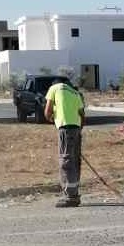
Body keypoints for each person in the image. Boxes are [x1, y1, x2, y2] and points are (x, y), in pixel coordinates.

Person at [44, 77, 86, 207]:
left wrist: (52, 119)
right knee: (75, 161)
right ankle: (74, 193)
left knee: (66, 161)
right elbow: (82, 115)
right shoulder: (75, 93)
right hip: (76, 129)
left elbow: (47, 111)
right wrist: (78, 131)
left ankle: (70, 196)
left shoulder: (55, 88)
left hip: (65, 129)